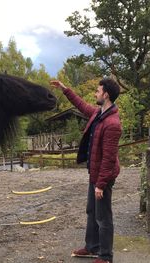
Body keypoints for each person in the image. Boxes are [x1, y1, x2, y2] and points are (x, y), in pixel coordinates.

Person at [50, 78, 122, 263]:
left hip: (103, 177)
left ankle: (105, 256)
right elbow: (81, 105)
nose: (95, 93)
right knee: (92, 211)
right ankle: (92, 247)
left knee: (103, 217)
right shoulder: (98, 113)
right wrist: (65, 89)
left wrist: (101, 184)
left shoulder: (112, 123)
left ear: (106, 95)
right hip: (95, 173)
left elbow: (109, 158)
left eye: (98, 91)